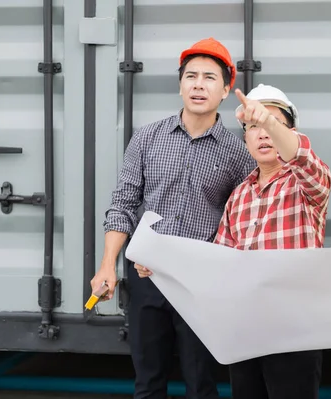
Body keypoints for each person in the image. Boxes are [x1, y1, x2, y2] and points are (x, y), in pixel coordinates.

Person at [91, 37, 256, 399]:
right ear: (180, 84)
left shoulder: (237, 154)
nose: (199, 84)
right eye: (191, 76)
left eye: (210, 78)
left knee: (201, 383)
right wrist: (108, 265)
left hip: (200, 283)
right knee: (148, 382)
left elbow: (241, 226)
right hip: (146, 278)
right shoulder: (147, 138)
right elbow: (123, 203)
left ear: (226, 90)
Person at [214, 83, 331, 399]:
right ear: (245, 139)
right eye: (253, 126)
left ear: (289, 131)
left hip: (294, 332)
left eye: (273, 123)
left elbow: (303, 157)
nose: (263, 133)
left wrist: (265, 119)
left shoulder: (308, 186)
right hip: (245, 332)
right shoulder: (238, 196)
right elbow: (218, 266)